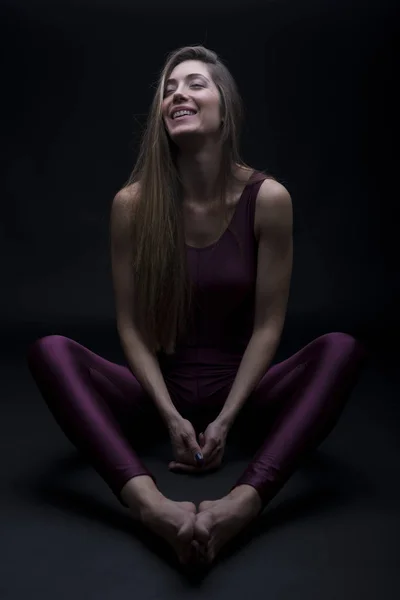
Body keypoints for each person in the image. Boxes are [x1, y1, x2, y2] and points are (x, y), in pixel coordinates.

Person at [26, 45, 367, 568]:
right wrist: (169, 416)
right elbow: (132, 329)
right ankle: (151, 507)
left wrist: (228, 419)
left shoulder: (268, 198)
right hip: (157, 403)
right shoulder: (133, 205)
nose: (177, 94)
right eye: (168, 89)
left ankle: (242, 504)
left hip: (247, 402)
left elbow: (268, 327)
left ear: (224, 107)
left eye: (194, 84)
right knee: (49, 351)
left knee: (342, 349)